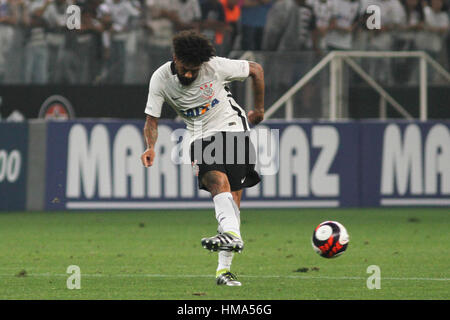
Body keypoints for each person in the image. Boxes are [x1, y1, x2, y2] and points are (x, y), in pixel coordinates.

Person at [140, 30, 265, 286]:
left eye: (193, 70)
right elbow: (151, 120)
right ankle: (231, 236)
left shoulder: (214, 67)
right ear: (175, 58)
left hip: (233, 126)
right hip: (200, 136)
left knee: (232, 203)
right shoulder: (161, 78)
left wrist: (260, 109)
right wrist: (150, 146)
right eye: (185, 68)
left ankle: (223, 270)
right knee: (216, 182)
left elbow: (256, 69)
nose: (188, 74)